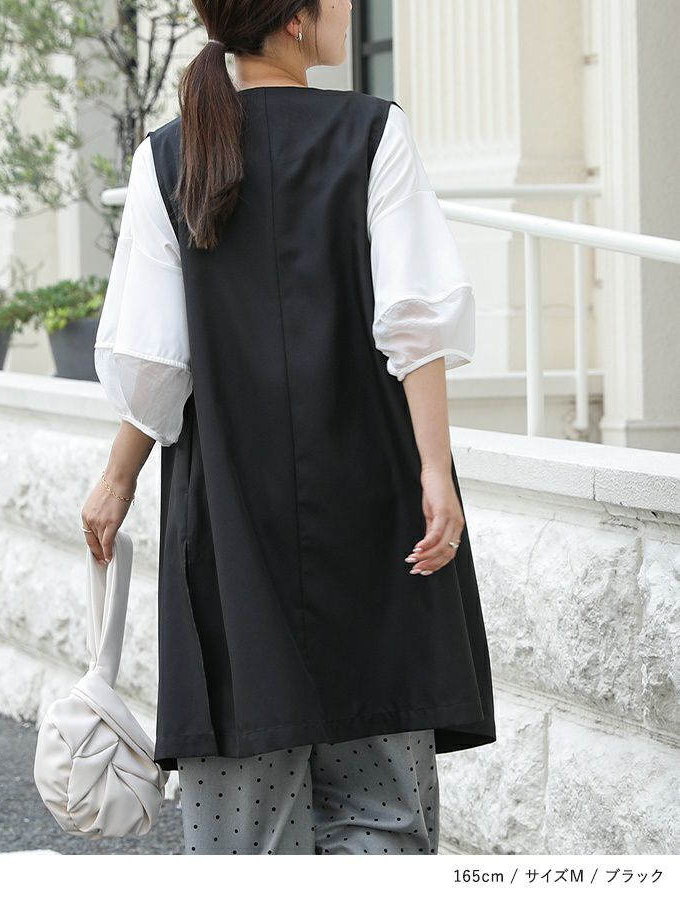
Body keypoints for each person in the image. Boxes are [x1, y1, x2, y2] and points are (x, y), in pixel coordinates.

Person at [81, 0, 496, 855]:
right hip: (372, 504)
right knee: (384, 814)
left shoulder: (169, 155)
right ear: (297, 20)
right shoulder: (373, 132)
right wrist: (434, 471)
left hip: (229, 513)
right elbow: (415, 319)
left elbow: (157, 361)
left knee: (245, 829)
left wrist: (118, 478)